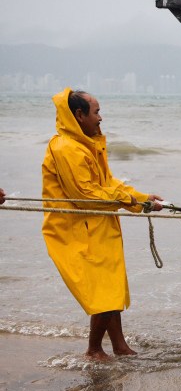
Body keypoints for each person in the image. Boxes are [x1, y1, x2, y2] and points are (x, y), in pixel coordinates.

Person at [42, 88, 164, 360]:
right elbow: (85, 194)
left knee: (111, 288)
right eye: (96, 112)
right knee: (103, 292)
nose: (101, 118)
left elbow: (107, 184)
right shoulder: (67, 148)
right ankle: (94, 350)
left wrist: (141, 198)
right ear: (79, 114)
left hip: (97, 225)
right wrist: (130, 201)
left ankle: (119, 346)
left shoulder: (87, 143)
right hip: (76, 230)